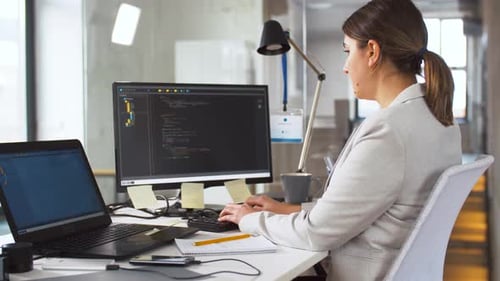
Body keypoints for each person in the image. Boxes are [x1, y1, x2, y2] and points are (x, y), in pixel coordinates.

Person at [219, 0, 462, 280]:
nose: (345, 67)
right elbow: (360, 210)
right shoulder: (438, 120)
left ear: (372, 51)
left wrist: (248, 219)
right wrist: (286, 210)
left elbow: (316, 234)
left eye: (348, 51)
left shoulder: (388, 131)